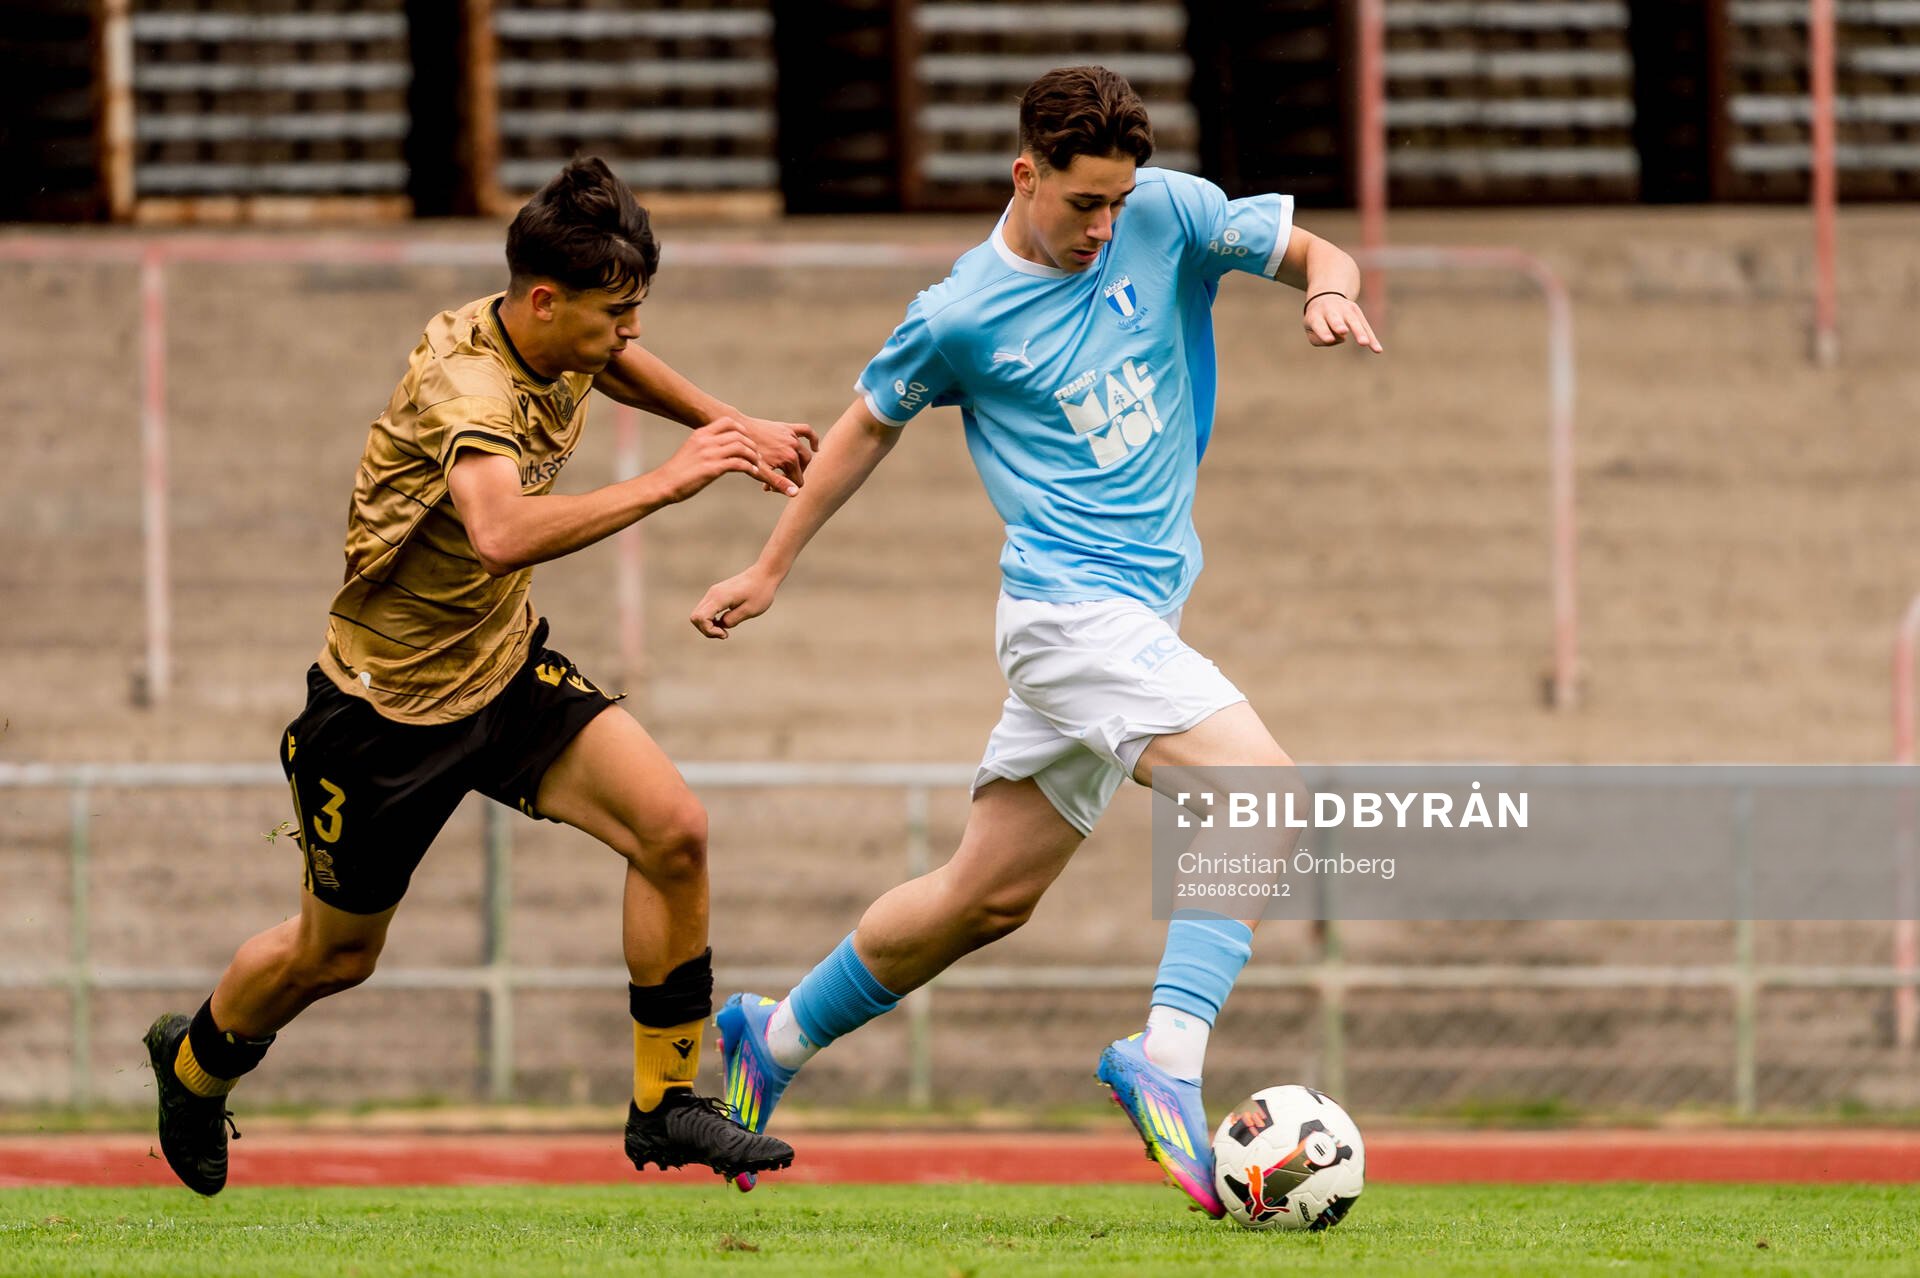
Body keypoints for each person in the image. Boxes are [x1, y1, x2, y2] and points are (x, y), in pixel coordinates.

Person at [690, 66, 1382, 1213]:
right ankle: (1165, 1057)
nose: (1105, 227)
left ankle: (773, 1037)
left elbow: (1318, 253)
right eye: (1083, 204)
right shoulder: (963, 310)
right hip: (1069, 619)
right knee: (1262, 795)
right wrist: (770, 566)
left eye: (1118, 201)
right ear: (1027, 175)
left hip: (1136, 616)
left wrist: (1328, 292)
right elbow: (868, 425)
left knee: (984, 897)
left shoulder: (1164, 214)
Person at [143, 157, 813, 1196]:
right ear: (546, 302)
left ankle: (664, 1104)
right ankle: (193, 1068)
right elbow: (499, 533)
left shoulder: (550, 330)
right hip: (382, 714)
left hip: (498, 673)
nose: (629, 335)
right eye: (615, 314)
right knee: (332, 959)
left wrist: (729, 425)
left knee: (673, 829)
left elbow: (610, 364)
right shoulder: (468, 381)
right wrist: (675, 479)